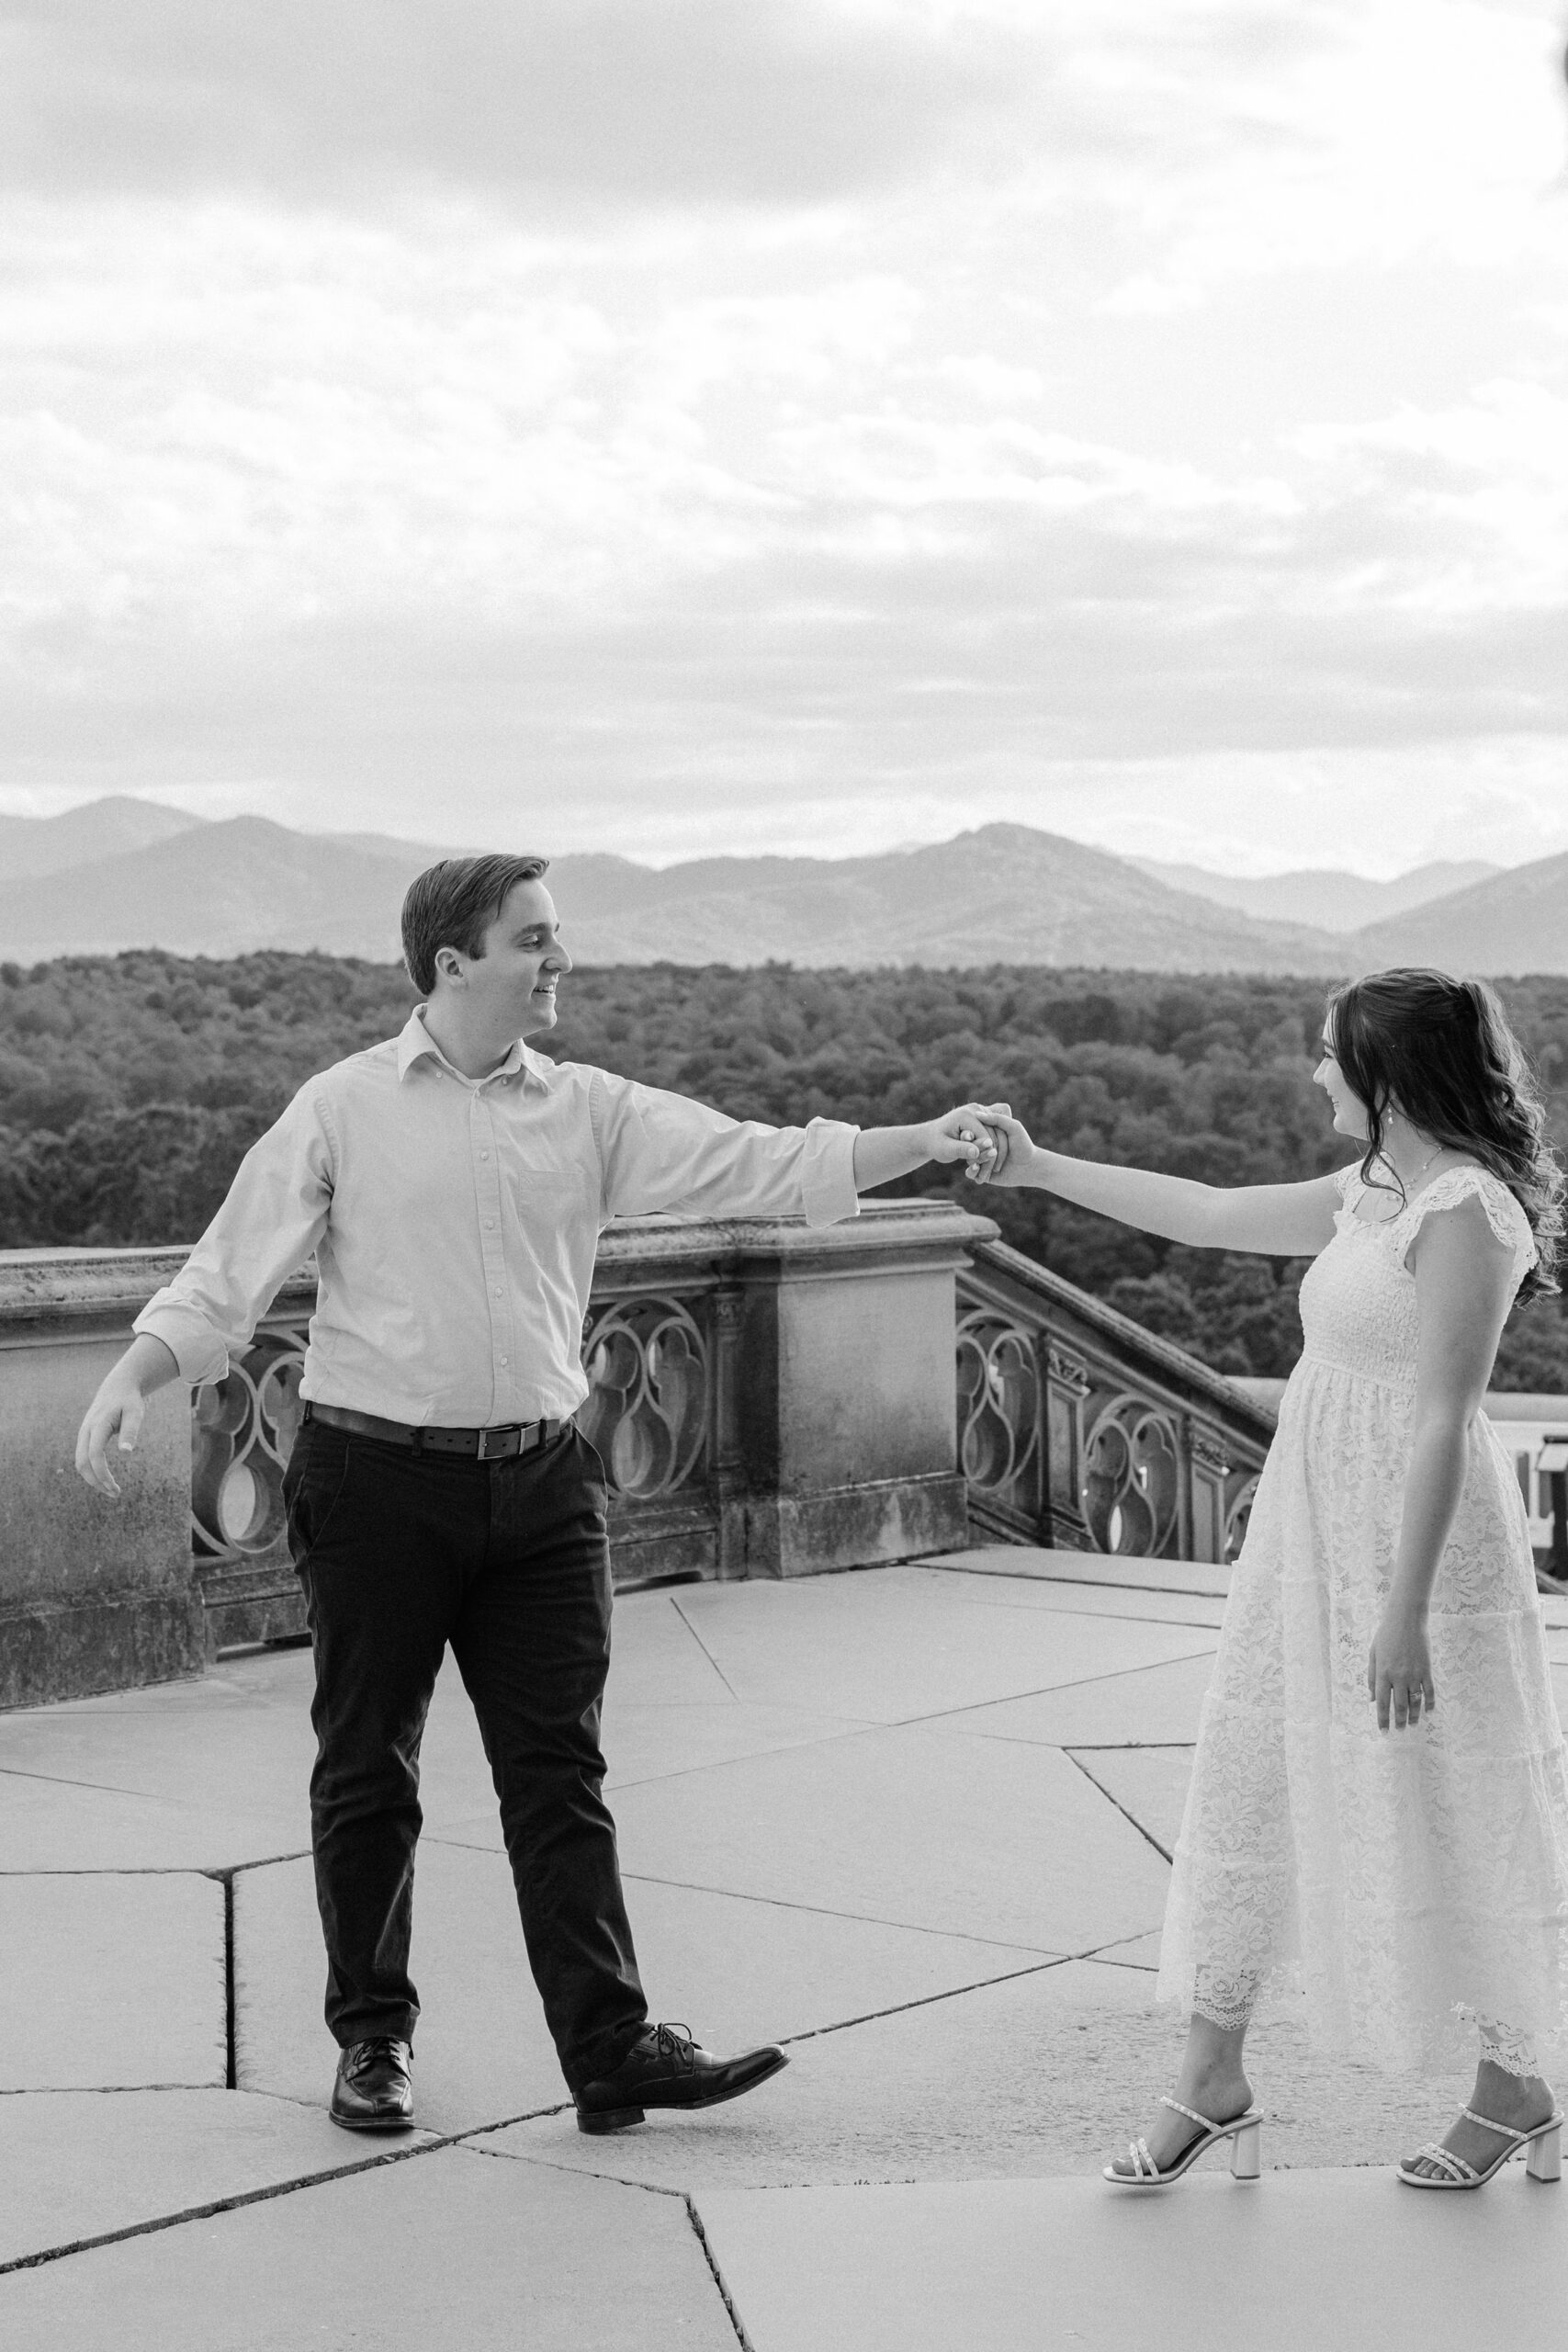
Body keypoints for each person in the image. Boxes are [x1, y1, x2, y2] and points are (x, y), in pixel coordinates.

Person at [74, 853, 1000, 2138]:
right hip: (374, 1485)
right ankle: (374, 2042)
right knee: (366, 1773)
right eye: (535, 940)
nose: (560, 960)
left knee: (559, 1775)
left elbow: (761, 1163)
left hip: (544, 1490)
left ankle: (611, 2050)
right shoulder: (340, 1109)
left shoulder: (591, 1110)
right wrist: (138, 1370)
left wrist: (928, 1141)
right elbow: (227, 1279)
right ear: (454, 961)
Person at [972, 967, 1568, 2190]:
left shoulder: (1465, 1209)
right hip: (1311, 1531)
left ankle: (1514, 2083)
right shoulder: (1372, 1190)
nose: (1312, 1072)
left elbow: (1449, 1417)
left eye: (1326, 1053)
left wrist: (1401, 1615)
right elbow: (1200, 1209)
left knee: (1451, 1802)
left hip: (1419, 1554)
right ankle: (1213, 2074)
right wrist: (1040, 1168)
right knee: (1252, 1778)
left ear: (1388, 1074)